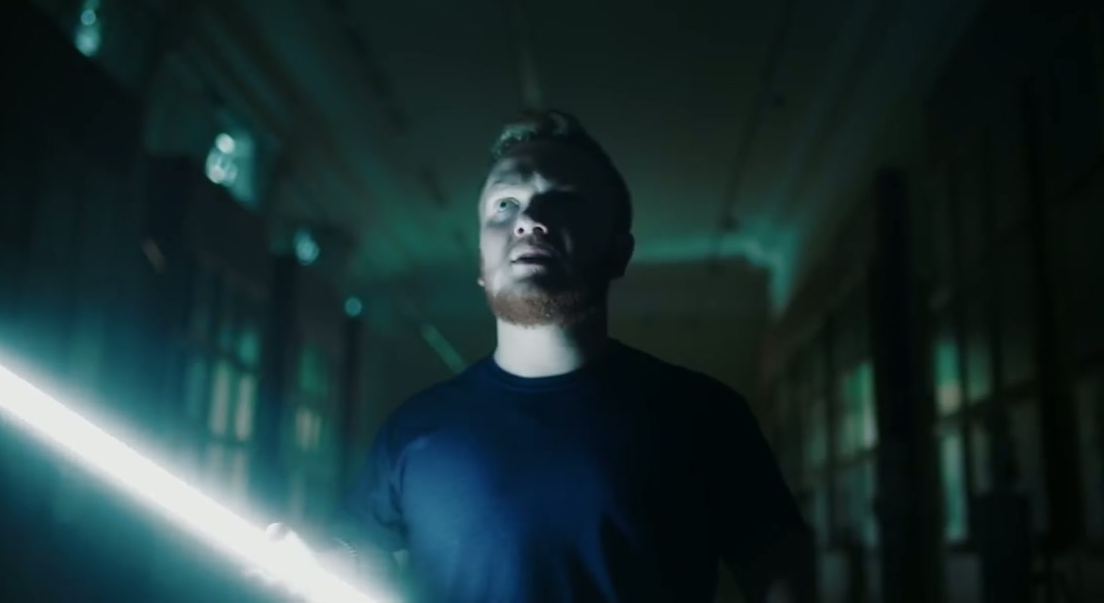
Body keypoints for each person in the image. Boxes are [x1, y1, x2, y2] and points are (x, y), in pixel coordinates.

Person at [276, 109, 807, 603]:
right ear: (481, 261)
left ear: (618, 252)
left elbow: (786, 584)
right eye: (505, 205)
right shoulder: (412, 430)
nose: (529, 219)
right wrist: (309, 566)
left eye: (563, 200)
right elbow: (356, 561)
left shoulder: (704, 415)